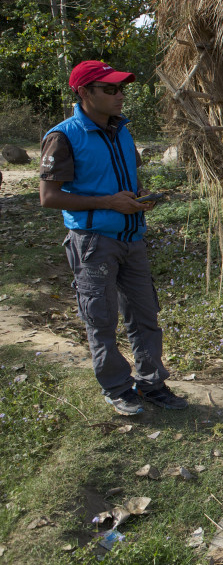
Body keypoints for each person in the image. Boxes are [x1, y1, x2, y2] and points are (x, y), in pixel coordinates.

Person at [39, 60, 187, 416]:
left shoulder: (121, 130)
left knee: (145, 314)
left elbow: (123, 181)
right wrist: (108, 202)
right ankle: (118, 388)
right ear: (84, 92)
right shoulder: (63, 136)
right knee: (101, 318)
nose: (120, 95)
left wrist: (137, 200)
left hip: (131, 237)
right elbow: (49, 197)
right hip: (92, 242)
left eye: (121, 88)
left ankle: (153, 384)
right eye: (110, 89)